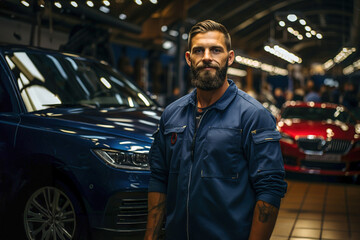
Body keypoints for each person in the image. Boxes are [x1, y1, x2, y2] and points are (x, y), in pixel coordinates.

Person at [145, 20, 287, 240]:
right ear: (188, 58)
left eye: (216, 50)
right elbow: (158, 178)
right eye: (199, 50)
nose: (207, 57)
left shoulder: (253, 116)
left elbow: (270, 188)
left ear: (229, 57)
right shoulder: (172, 114)